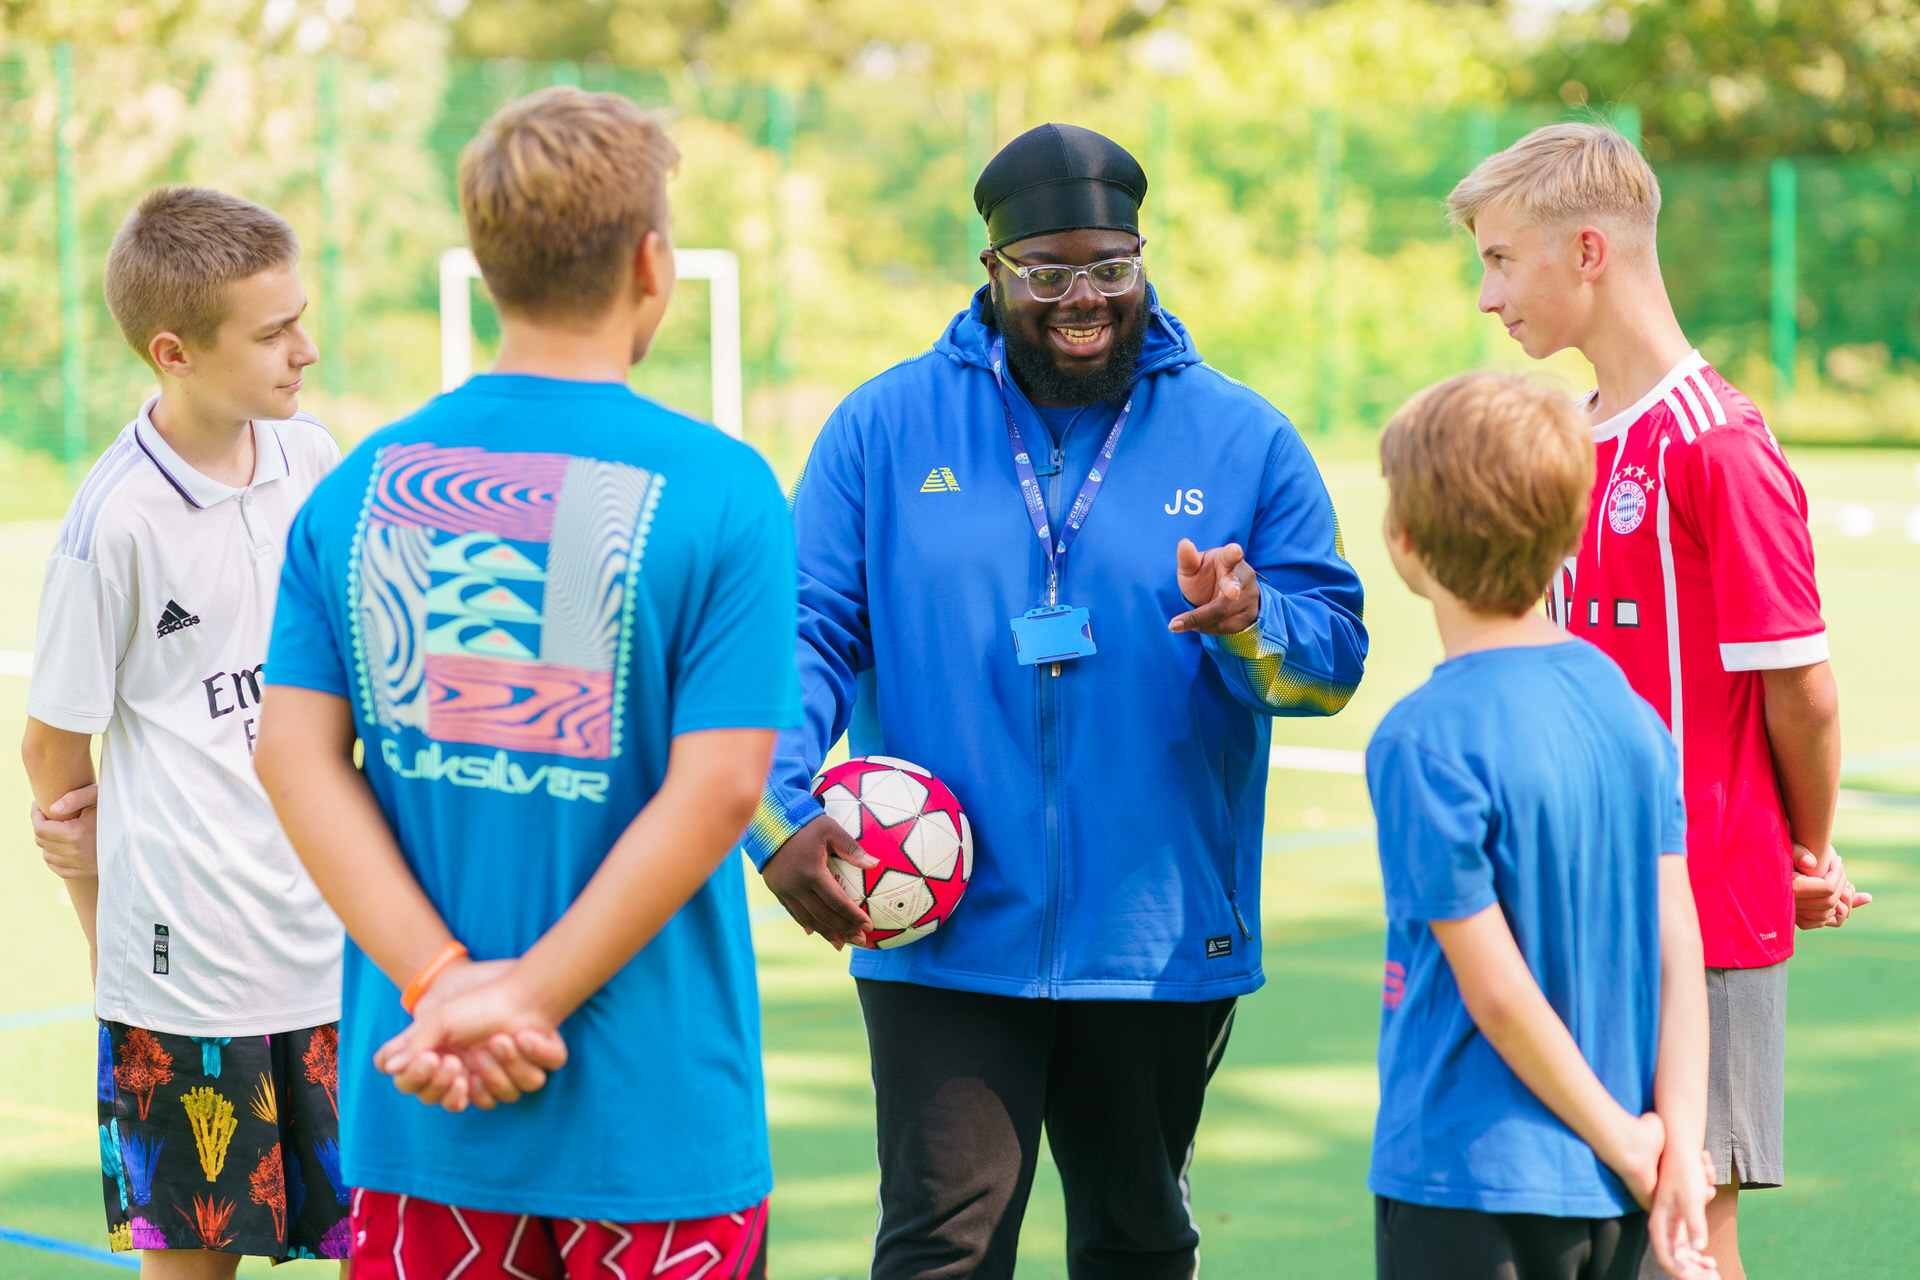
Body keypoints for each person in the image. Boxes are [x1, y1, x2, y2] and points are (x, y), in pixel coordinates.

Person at [746, 122, 1369, 1279]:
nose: (1084, 299)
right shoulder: (881, 430)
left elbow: (1331, 664)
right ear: (992, 273)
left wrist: (1251, 624)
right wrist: (777, 811)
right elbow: (800, 632)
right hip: (938, 926)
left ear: (1142, 258)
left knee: (1137, 1240)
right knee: (941, 1244)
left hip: (1158, 935)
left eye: (1111, 268)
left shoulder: (1243, 436)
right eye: (1048, 273)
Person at [251, 87, 798, 1280]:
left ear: (485, 268)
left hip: (423, 1109)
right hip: (657, 1126)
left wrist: (445, 988)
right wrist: (525, 1000)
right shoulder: (723, 488)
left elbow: (291, 755)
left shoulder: (357, 488)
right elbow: (721, 790)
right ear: (653, 264)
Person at [1447, 123, 1867, 1279]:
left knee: (1690, 1228)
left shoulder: (1717, 446)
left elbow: (1803, 691)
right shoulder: (1577, 438)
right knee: (1609, 1223)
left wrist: (1807, 847)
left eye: (1499, 259)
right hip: (1581, 896)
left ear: (1588, 251)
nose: (1487, 297)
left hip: (1709, 912)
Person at [19, 187, 350, 1273]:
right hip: (188, 974)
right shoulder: (112, 522)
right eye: (271, 333)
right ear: (175, 352)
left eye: (300, 315)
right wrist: (106, 914)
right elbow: (54, 761)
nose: (305, 348)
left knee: (388, 1243)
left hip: (343, 942)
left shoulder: (314, 460)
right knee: (195, 1262)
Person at [1366, 372, 1714, 1280]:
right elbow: (1682, 940)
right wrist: (1671, 1144)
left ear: (1405, 544)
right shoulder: (1631, 709)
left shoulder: (1421, 737)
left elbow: (1498, 995)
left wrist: (1636, 1148)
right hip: (1612, 1188)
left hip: (1467, 1180)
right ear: (1568, 533)